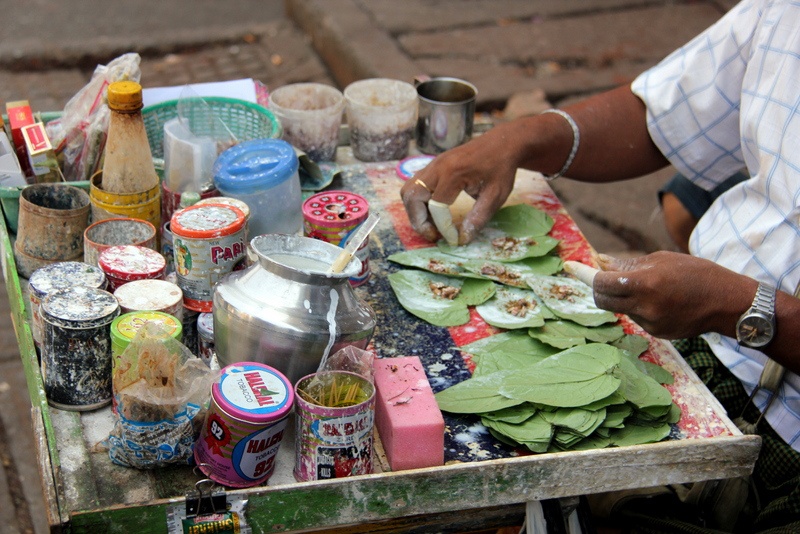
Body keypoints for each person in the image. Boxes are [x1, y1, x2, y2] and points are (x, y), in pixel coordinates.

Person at [400, 0, 800, 531]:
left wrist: (739, 307)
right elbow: (662, 115)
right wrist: (519, 139)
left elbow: (736, 305)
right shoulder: (781, 12)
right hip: (700, 343)